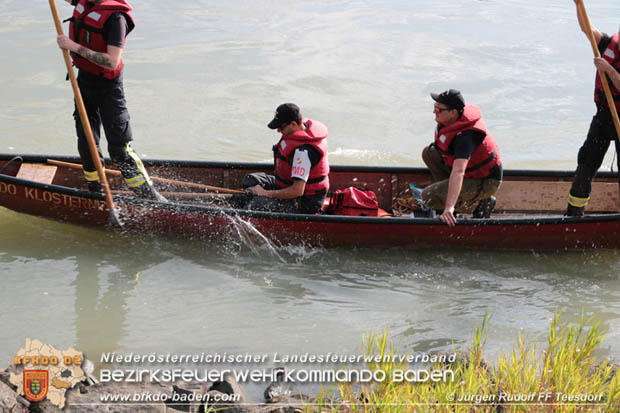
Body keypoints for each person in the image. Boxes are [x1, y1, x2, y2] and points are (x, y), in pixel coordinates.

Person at [56, 0, 165, 201]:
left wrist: (73, 47)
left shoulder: (116, 18)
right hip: (85, 81)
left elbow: (111, 61)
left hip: (109, 87)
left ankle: (151, 198)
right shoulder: (85, 3)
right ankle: (96, 193)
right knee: (87, 143)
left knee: (118, 149)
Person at [566, 0, 620, 216]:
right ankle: (574, 214)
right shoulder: (608, 44)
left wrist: (608, 70)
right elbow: (587, 29)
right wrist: (578, 5)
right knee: (585, 166)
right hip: (604, 117)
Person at [421, 89, 503, 226]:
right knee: (429, 153)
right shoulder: (452, 121)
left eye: (438, 109)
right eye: (434, 108)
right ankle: (451, 195)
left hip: (485, 181)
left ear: (453, 112)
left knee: (429, 196)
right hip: (470, 172)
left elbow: (458, 172)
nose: (434, 112)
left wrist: (449, 208)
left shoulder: (466, 137)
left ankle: (476, 204)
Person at [238, 103, 329, 214]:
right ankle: (241, 202)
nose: (278, 131)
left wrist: (265, 193)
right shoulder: (298, 129)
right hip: (285, 185)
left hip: (303, 201)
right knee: (250, 179)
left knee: (258, 203)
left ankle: (243, 211)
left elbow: (297, 191)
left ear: (294, 124)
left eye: (281, 127)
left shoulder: (302, 152)